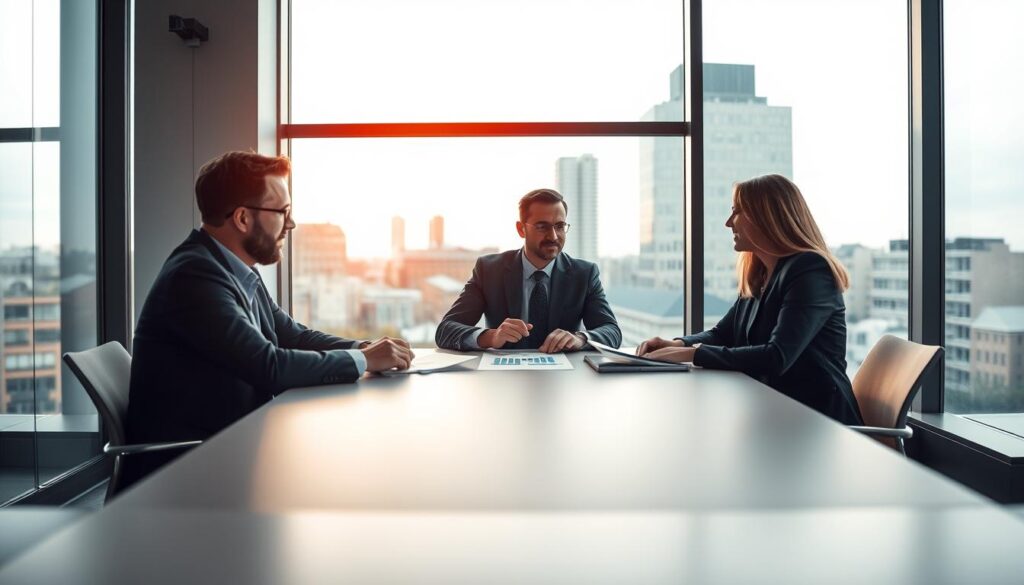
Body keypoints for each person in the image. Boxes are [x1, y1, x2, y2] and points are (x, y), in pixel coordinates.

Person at [128, 151, 414, 448]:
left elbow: (291, 335)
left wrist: (362, 347)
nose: (290, 224)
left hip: (233, 442)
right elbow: (268, 366)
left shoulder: (231, 267)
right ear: (242, 218)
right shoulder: (193, 277)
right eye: (283, 212)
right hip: (191, 464)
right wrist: (364, 360)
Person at [637, 174, 862, 425]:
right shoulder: (761, 273)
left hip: (818, 421)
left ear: (766, 217)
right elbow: (723, 333)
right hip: (773, 410)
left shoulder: (810, 270)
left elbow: (776, 357)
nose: (728, 223)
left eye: (736, 212)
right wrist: (676, 343)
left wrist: (690, 354)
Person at [435, 188, 622, 352]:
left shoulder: (585, 274)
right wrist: (491, 337)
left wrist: (580, 339)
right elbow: (445, 330)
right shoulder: (489, 270)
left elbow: (611, 331)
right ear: (521, 229)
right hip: (504, 377)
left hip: (566, 378)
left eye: (560, 226)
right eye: (542, 226)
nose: (553, 236)